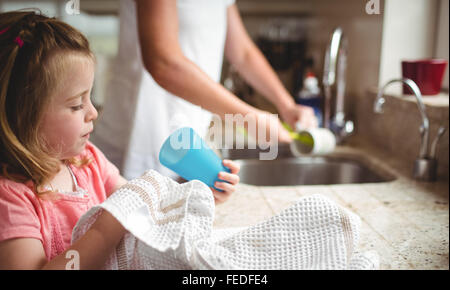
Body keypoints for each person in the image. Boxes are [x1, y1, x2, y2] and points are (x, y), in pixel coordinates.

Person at [0, 10, 240, 270]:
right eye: (76, 105)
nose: (92, 112)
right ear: (22, 115)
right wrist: (105, 231)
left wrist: (198, 197)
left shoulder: (87, 161)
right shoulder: (10, 199)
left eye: (89, 98)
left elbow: (148, 206)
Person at [91, 0, 318, 180]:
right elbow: (162, 62)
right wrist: (248, 118)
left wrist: (286, 105)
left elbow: (242, 52)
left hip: (187, 141)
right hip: (140, 139)